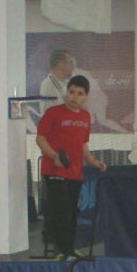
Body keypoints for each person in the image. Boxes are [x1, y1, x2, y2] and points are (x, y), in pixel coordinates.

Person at [35, 74, 105, 257]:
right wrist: (54, 155)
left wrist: (93, 161)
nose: (75, 96)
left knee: (73, 212)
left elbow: (83, 145)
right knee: (62, 212)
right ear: (67, 92)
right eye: (72, 92)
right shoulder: (53, 113)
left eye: (80, 93)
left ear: (86, 96)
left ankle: (69, 249)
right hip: (55, 171)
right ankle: (62, 252)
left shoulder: (85, 117)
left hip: (75, 173)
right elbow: (40, 139)